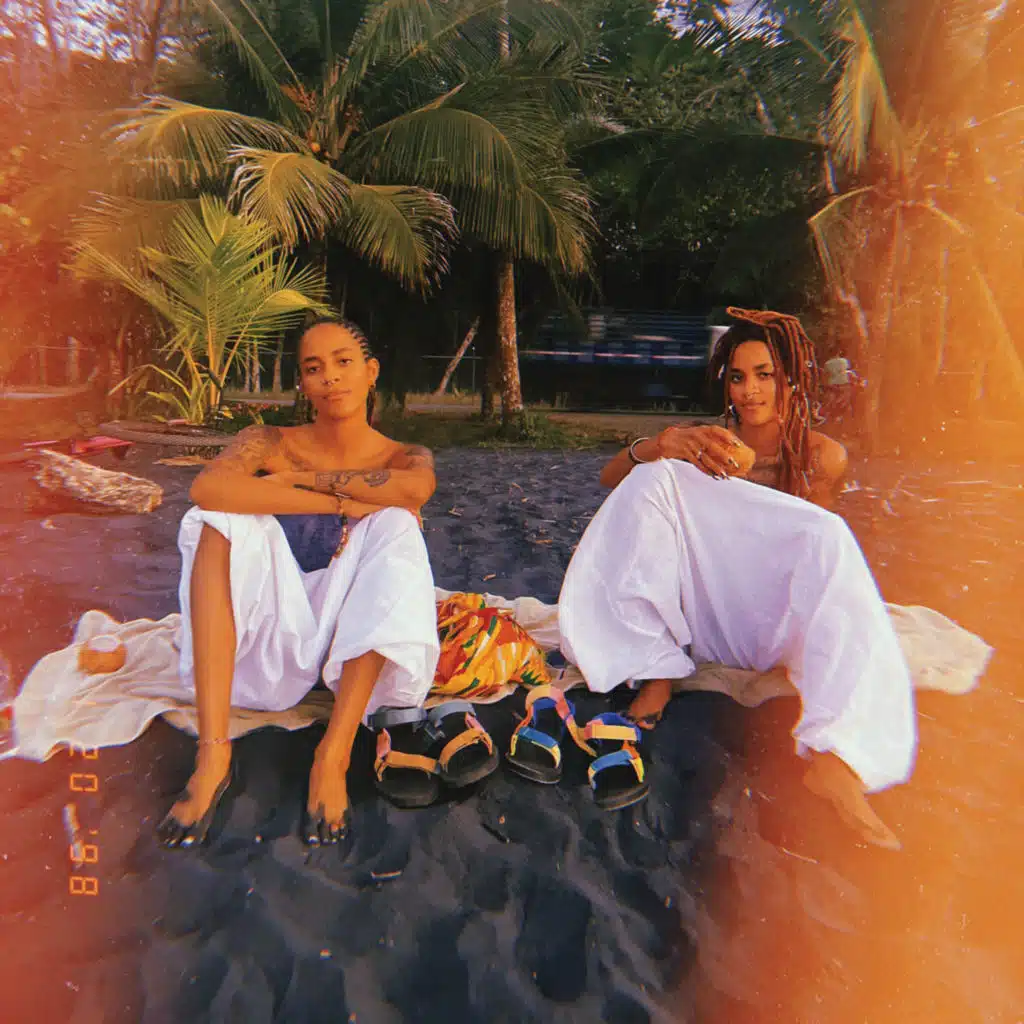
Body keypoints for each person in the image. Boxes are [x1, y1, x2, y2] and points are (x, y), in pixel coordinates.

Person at [558, 307, 914, 849]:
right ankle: (656, 670)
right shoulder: (706, 441)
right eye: (738, 377)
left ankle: (837, 759)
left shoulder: (822, 455)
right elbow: (613, 479)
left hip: (776, 624)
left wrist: (747, 491)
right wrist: (661, 447)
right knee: (655, 477)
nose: (750, 391)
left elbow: (805, 549)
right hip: (711, 612)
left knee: (828, 534)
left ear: (790, 380)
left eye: (765, 375)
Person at [158, 316, 445, 850]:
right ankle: (214, 754)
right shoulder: (267, 441)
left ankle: (332, 755)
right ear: (303, 384)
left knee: (398, 524)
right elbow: (209, 488)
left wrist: (299, 481)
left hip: (348, 640)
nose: (330, 376)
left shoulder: (401, 456)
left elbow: (415, 490)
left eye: (343, 362)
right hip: (268, 639)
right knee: (214, 522)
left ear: (371, 372)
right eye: (314, 368)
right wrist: (341, 503)